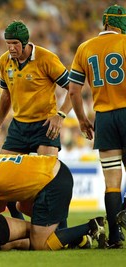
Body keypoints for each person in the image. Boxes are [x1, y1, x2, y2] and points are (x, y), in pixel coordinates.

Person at [0, 21, 73, 220]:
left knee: (49, 180)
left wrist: (61, 115)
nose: (11, 47)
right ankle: (20, 227)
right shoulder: (4, 61)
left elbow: (73, 89)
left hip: (44, 126)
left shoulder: (46, 58)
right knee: (4, 178)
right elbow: (6, 95)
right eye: (8, 43)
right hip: (18, 126)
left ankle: (62, 232)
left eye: (14, 43)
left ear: (24, 42)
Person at [0, 152, 106, 251]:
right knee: (21, 206)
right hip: (55, 169)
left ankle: (91, 226)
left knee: (40, 245)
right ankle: (79, 240)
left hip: (51, 184)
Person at [68, 4, 126, 249]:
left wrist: (82, 120)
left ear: (104, 23)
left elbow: (73, 90)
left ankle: (114, 237)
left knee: (112, 181)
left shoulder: (85, 48)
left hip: (103, 117)